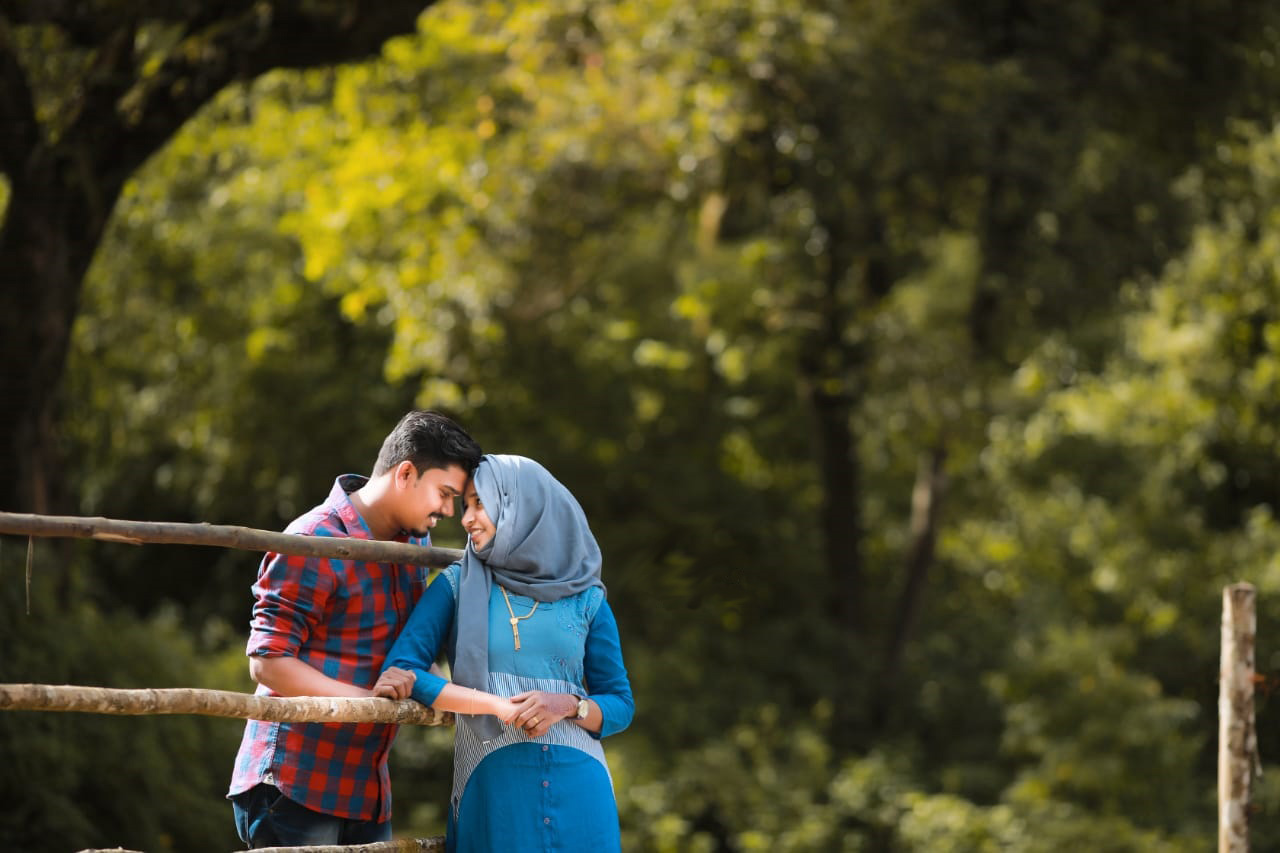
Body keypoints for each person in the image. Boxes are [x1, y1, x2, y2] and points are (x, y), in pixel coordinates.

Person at [228, 410, 482, 848]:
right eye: (444, 494)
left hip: (365, 788)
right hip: (294, 783)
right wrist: (368, 702)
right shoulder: (313, 539)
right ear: (405, 473)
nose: (447, 510)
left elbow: (407, 642)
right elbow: (267, 663)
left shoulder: (415, 542)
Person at [374, 453, 634, 852]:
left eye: (480, 504)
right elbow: (404, 668)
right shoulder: (457, 585)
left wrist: (569, 704)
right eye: (465, 505)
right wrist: (495, 706)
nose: (467, 519)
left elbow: (619, 704)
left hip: (583, 788)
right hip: (492, 784)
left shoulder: (586, 597)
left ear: (522, 506)